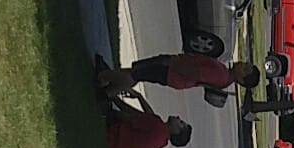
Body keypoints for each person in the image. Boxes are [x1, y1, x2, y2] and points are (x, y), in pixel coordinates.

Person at [94, 50, 260, 98]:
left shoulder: (221, 75)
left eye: (245, 69)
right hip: (175, 72)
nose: (242, 64)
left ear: (241, 80)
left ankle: (104, 79)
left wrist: (172, 63)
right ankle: (109, 87)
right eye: (246, 64)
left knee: (137, 74)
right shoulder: (225, 75)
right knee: (138, 72)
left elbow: (195, 73)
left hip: (173, 72)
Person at [99, 93, 192, 148]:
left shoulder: (158, 127)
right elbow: (148, 116)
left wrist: (114, 98)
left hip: (111, 139)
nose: (178, 117)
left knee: (108, 105)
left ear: (176, 131)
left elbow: (128, 116)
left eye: (181, 122)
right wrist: (139, 97)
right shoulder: (163, 140)